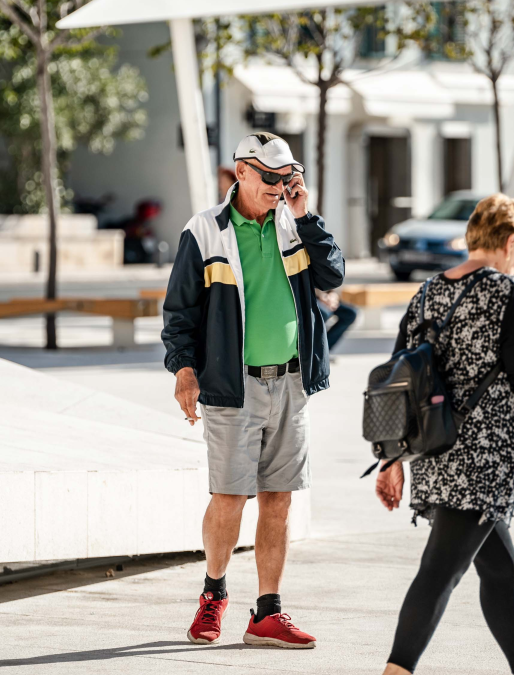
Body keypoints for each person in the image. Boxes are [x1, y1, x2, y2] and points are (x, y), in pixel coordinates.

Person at [375, 194, 514, 675]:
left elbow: (396, 383)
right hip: (485, 460)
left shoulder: (427, 291)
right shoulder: (506, 293)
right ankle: (395, 671)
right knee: (439, 574)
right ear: (512, 241)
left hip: (433, 450)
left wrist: (392, 460)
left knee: (498, 566)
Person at [163, 132, 344, 649]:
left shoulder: (295, 223)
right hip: (231, 387)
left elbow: (332, 277)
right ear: (241, 172)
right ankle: (213, 595)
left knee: (279, 500)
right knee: (229, 497)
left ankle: (268, 613)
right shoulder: (204, 231)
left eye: (287, 177)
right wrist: (184, 371)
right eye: (270, 177)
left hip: (291, 382)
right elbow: (179, 314)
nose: (279, 187)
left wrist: (307, 215)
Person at [316, 289, 357, 353]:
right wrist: (321, 296)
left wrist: (333, 295)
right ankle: (314, 351)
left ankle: (324, 349)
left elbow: (334, 282)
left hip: (326, 296)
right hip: (311, 297)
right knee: (323, 313)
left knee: (350, 314)